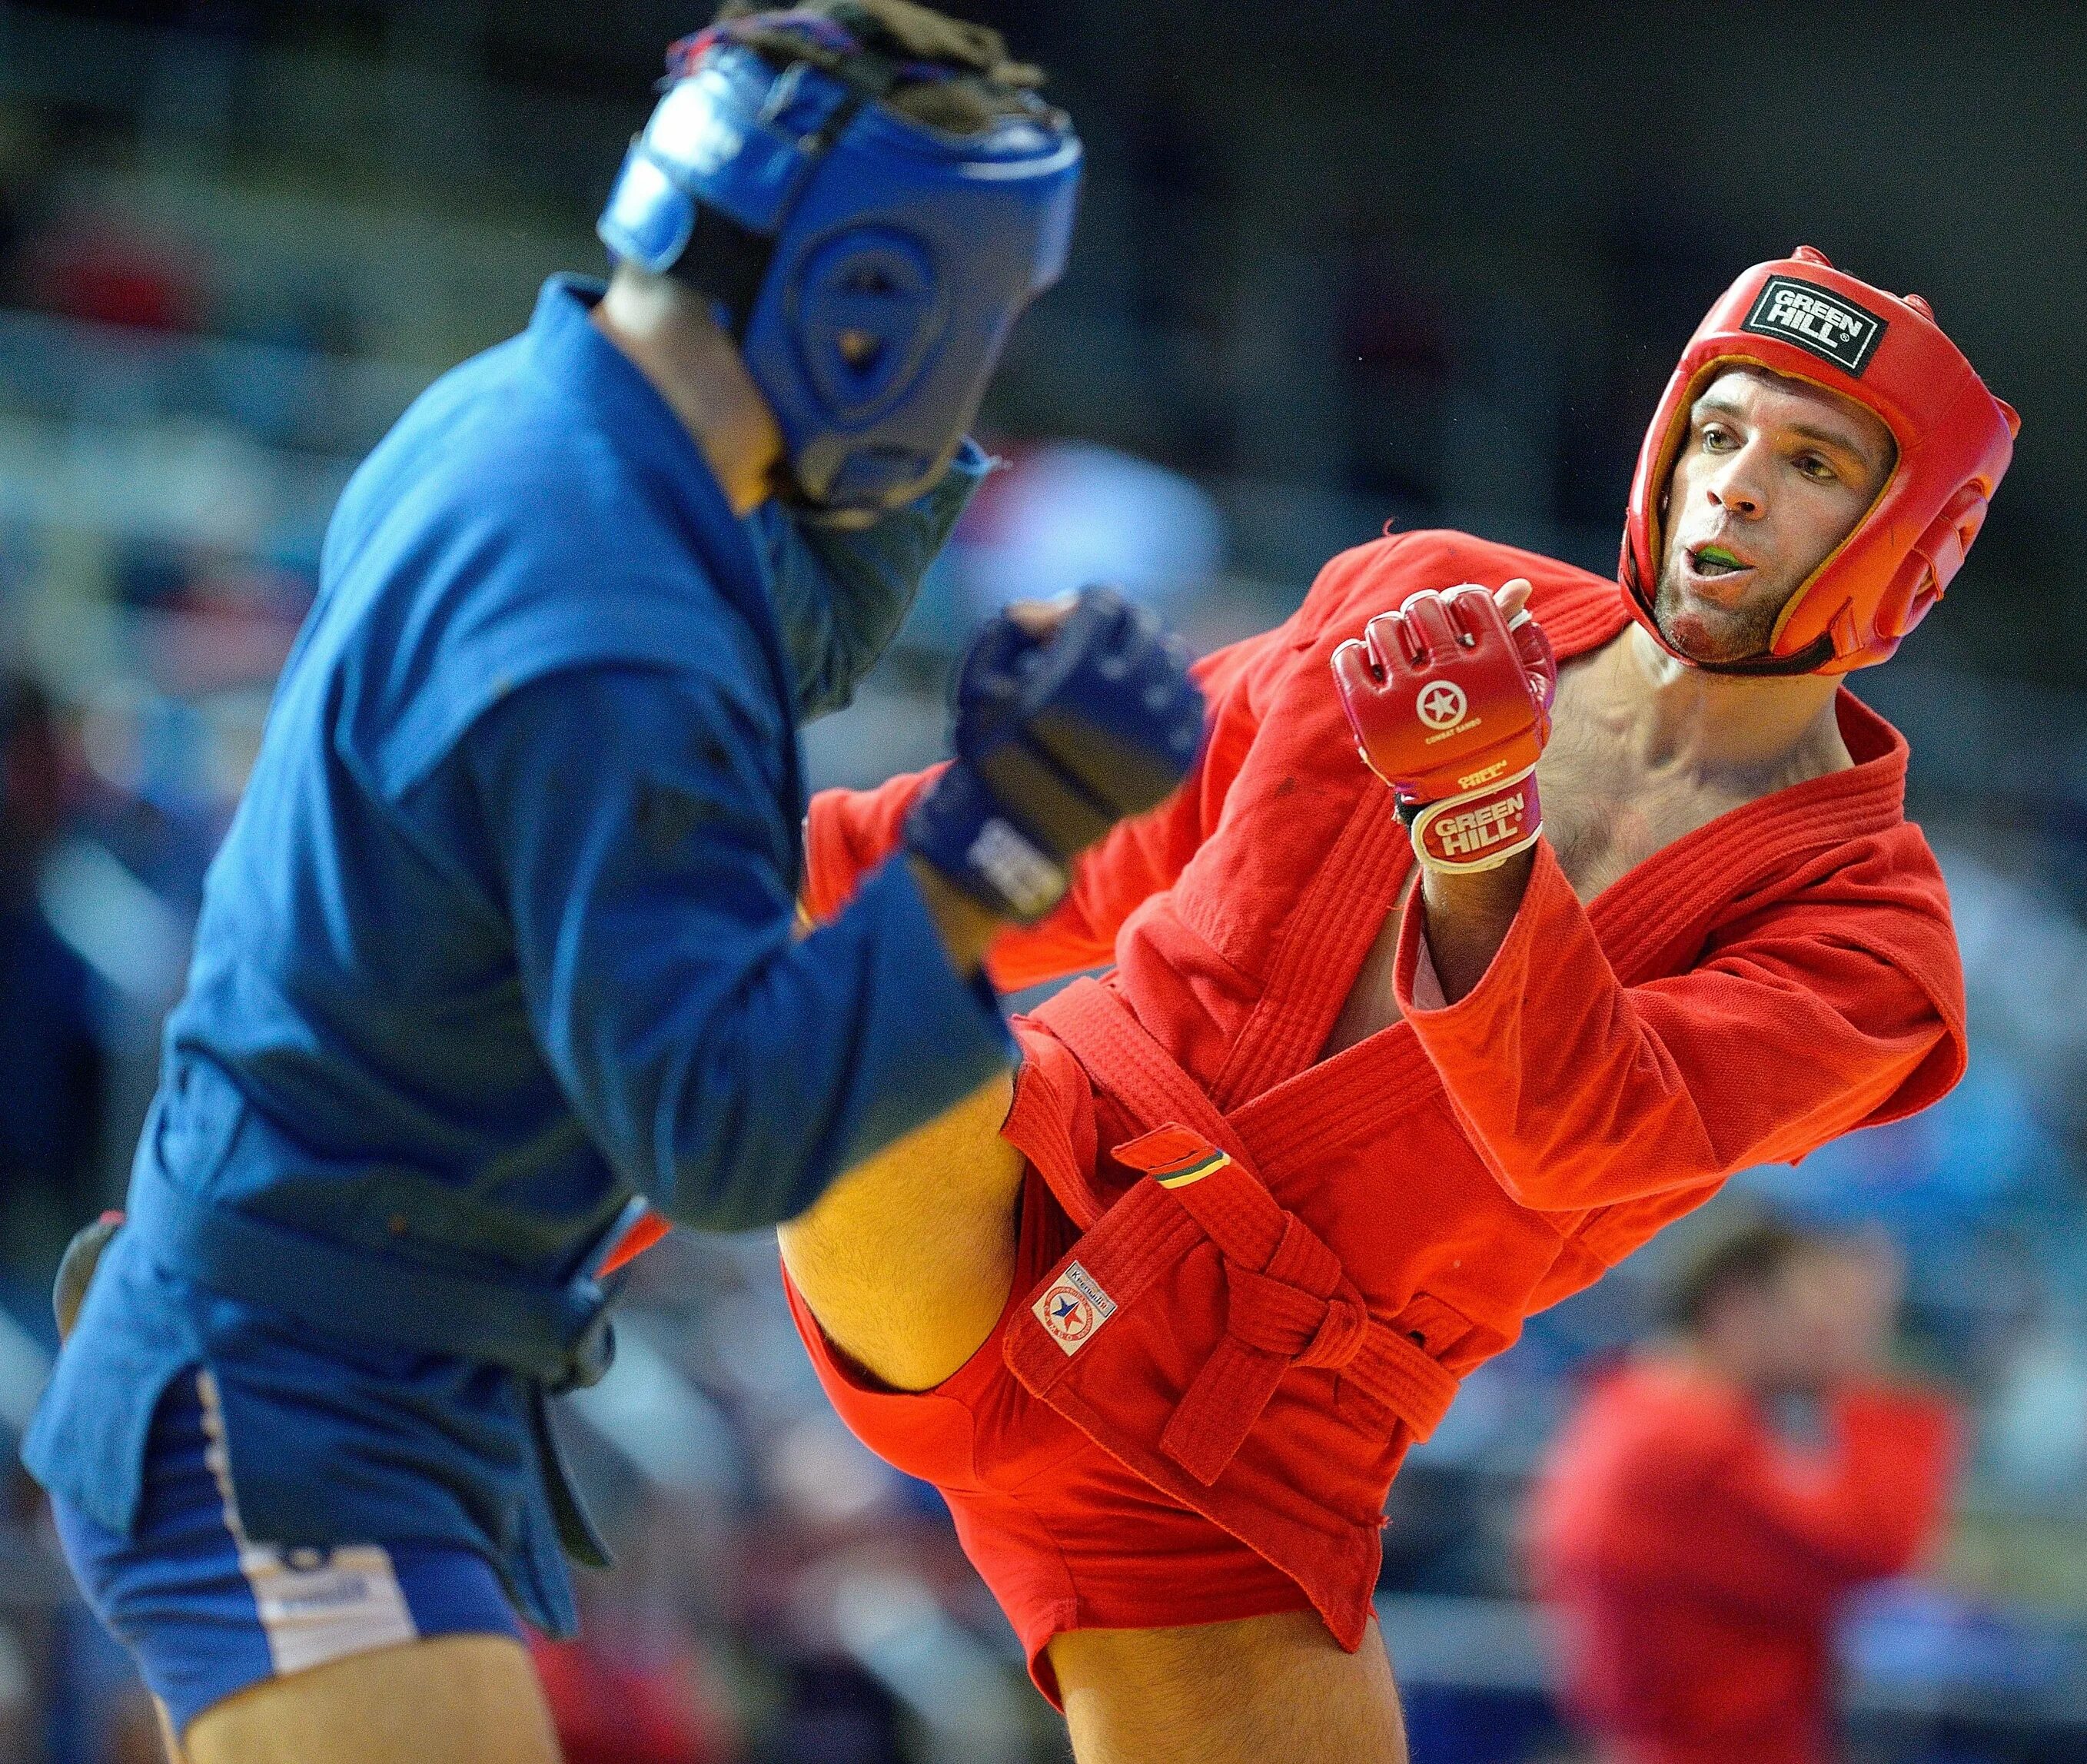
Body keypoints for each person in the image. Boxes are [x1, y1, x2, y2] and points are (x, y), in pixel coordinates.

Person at [22, 7, 1205, 1762]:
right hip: (288, 1400)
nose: (986, 378)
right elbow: (717, 1132)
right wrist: (1003, 837)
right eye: (989, 324)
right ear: (875, 302)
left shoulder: (514, 421)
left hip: (303, 1357)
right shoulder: (608, 627)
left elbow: (731, 651)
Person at [779, 246, 2018, 1763]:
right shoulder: (1429, 599)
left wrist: (1482, 831)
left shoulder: (1872, 937)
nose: (1739, 486)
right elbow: (1079, 838)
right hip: (1008, 1199)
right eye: (1721, 430)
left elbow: (1592, 1134)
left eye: (1813, 461)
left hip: (1241, 1468)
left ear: (1917, 545)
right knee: (852, 989)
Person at [1533, 1219, 1962, 1764]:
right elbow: (1876, 1540)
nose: (1826, 1332)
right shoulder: (1685, 1444)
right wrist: (1867, 1375)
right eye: (1816, 1311)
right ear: (1738, 1304)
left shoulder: (1643, 1410)